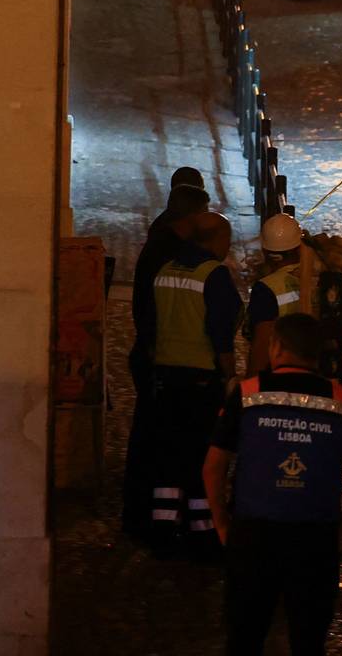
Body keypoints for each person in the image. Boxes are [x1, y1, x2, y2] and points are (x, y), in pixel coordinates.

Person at [204, 313, 342, 656]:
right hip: (315, 537)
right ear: (317, 355)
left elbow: (213, 467)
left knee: (244, 638)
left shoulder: (248, 393)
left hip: (253, 535)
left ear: (276, 347)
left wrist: (223, 524)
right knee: (309, 641)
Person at [143, 210, 240, 554]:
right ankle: (203, 532)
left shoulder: (165, 271)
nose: (229, 246)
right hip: (201, 380)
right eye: (227, 239)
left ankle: (163, 528)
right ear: (215, 240)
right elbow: (221, 334)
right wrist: (230, 376)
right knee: (202, 455)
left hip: (165, 377)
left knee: (168, 454)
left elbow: (151, 324)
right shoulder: (214, 275)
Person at [122, 170, 210, 541]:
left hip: (155, 354)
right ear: (191, 217)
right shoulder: (171, 252)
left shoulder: (160, 240)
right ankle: (158, 519)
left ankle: (150, 516)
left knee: (153, 437)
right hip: (164, 358)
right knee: (162, 442)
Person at [245, 213, 342, 379]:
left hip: (285, 374)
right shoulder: (326, 279)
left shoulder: (266, 288)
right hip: (327, 373)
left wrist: (250, 385)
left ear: (264, 250)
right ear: (300, 248)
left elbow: (262, 344)